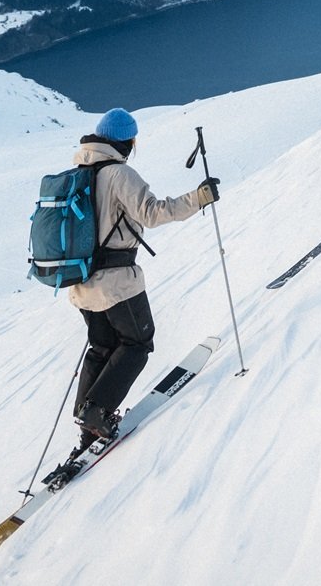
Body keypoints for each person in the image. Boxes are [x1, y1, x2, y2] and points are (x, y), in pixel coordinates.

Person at [67, 107, 218, 443]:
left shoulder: (78, 171)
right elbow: (152, 213)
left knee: (102, 347)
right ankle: (97, 411)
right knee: (137, 342)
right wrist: (199, 197)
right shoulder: (120, 174)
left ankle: (89, 419)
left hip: (80, 281)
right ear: (127, 140)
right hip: (116, 281)